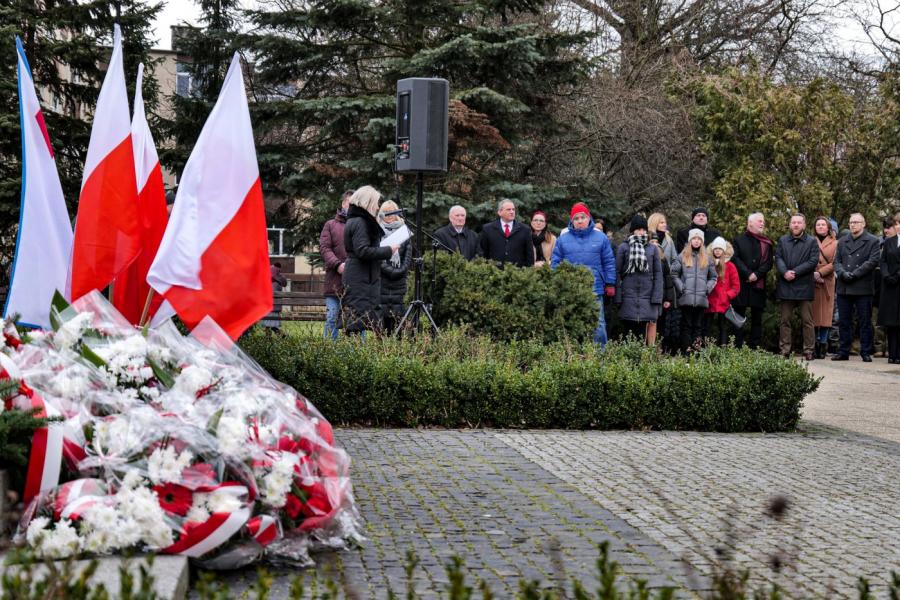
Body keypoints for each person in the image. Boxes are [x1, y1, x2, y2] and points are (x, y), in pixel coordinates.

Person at [551, 202, 616, 346]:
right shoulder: (563, 240)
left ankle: (600, 356)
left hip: (595, 288)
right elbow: (555, 263)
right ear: (572, 221)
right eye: (576, 218)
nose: (580, 221)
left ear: (588, 218)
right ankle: (572, 353)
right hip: (570, 290)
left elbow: (609, 262)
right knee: (571, 323)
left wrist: (610, 282)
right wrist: (556, 283)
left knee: (598, 324)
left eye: (582, 217)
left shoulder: (601, 238)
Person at [342, 186, 400, 335]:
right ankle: (356, 355)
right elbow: (362, 250)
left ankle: (363, 354)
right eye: (376, 202)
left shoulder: (357, 220)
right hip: (360, 277)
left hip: (362, 275)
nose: (378, 206)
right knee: (357, 320)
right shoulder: (360, 222)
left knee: (362, 319)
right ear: (367, 202)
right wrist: (388, 250)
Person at [832, 213, 881, 362]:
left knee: (864, 321)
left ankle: (865, 351)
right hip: (844, 286)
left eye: (856, 222)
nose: (853, 225)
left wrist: (854, 274)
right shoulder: (842, 241)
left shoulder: (872, 241)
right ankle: (843, 350)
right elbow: (836, 261)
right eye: (851, 222)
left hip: (862, 286)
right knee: (844, 321)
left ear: (863, 224)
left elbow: (872, 261)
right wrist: (842, 273)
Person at [775, 214, 819, 359]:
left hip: (804, 286)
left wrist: (795, 272)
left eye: (799, 222)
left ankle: (809, 351)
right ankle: (784, 350)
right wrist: (784, 272)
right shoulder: (782, 240)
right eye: (793, 222)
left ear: (804, 225)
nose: (796, 225)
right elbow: (778, 258)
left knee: (807, 321)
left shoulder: (812, 241)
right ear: (790, 225)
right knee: (785, 321)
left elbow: (813, 261)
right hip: (786, 285)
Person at [615, 215, 663, 343]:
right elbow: (617, 272)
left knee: (642, 333)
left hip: (647, 297)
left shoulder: (652, 249)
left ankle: (641, 361)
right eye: (638, 229)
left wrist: (656, 298)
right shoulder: (623, 247)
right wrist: (618, 297)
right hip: (628, 297)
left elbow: (658, 274)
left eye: (643, 229)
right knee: (628, 334)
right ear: (632, 231)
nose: (641, 232)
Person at [730, 212, 774, 349]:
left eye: (763, 221)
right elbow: (735, 258)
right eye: (759, 221)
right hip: (742, 285)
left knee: (757, 319)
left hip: (758, 285)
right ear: (750, 224)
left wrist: (756, 274)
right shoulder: (738, 240)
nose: (762, 223)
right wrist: (748, 274)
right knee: (738, 318)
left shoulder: (766, 242)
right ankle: (737, 348)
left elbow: (768, 263)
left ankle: (754, 347)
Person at [671, 229, 717, 352]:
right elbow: (674, 273)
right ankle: (686, 350)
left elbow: (713, 277)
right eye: (694, 239)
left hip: (701, 298)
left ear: (702, 242)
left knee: (698, 326)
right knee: (686, 325)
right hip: (687, 297)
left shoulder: (707, 258)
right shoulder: (682, 256)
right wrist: (682, 287)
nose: (696, 241)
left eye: (699, 239)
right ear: (690, 240)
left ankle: (696, 351)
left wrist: (707, 288)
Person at [319, 190, 352, 340]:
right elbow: (325, 248)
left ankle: (360, 355)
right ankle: (329, 354)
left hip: (355, 284)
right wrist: (338, 265)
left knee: (356, 321)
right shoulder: (330, 225)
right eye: (350, 203)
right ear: (343, 203)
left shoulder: (361, 225)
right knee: (332, 318)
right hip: (334, 283)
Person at [378, 200, 413, 333]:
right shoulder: (377, 231)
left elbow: (408, 254)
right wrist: (390, 271)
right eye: (386, 212)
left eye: (391, 211)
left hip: (400, 280)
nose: (389, 215)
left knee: (399, 318)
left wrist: (401, 270)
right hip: (382, 280)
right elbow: (376, 254)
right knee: (383, 322)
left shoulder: (404, 231)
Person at [479, 199, 535, 267]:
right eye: (508, 209)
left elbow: (530, 255)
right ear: (500, 212)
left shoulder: (525, 229)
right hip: (494, 273)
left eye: (513, 209)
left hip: (518, 274)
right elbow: (483, 253)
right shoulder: (488, 229)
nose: (512, 212)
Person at [705, 237, 740, 346]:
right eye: (716, 249)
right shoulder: (708, 264)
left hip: (723, 301)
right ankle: (706, 348)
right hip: (709, 300)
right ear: (712, 250)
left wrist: (727, 295)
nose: (718, 251)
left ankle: (723, 348)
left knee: (723, 326)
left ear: (724, 250)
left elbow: (736, 286)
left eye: (720, 249)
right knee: (707, 326)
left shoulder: (730, 266)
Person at [812, 217, 837, 358]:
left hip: (827, 280)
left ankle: (823, 344)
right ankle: (814, 344)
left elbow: (836, 262)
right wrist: (814, 274)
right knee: (814, 315)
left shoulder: (836, 243)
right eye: (818, 224)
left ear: (828, 227)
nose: (820, 227)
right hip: (813, 280)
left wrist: (821, 272)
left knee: (826, 316)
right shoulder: (810, 241)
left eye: (823, 224)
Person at [878, 212, 900, 364]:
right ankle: (892, 354)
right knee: (891, 321)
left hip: (899, 283)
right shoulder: (889, 242)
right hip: (889, 286)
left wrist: (897, 275)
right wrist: (887, 276)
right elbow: (883, 260)